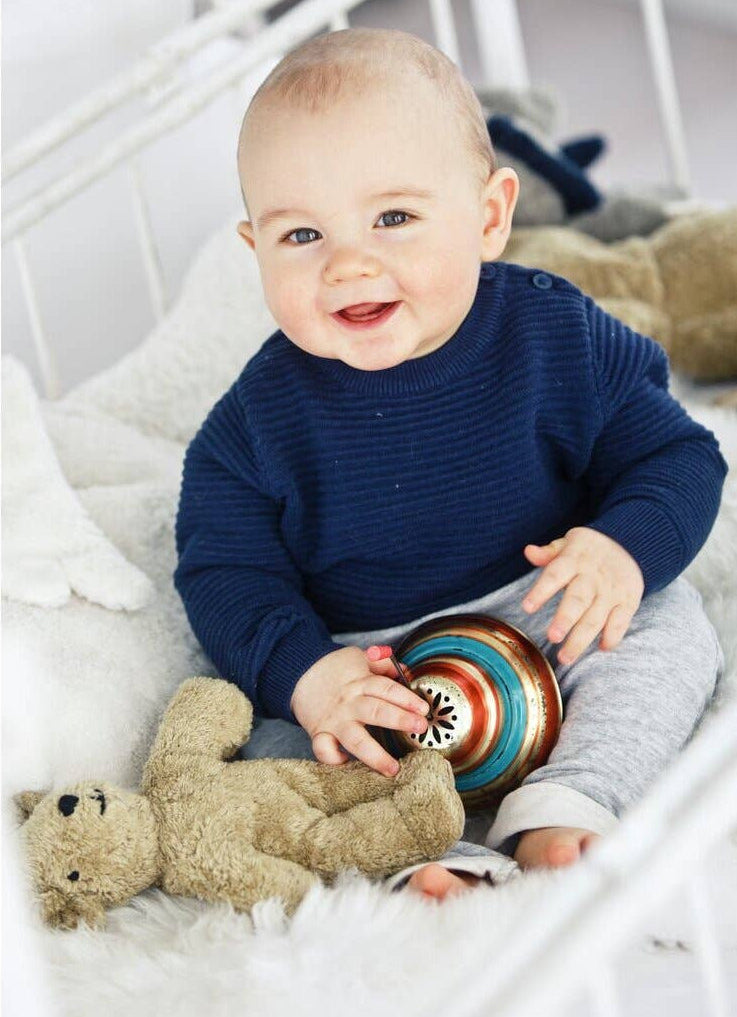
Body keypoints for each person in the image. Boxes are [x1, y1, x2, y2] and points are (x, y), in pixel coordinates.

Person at [174, 28, 725, 898]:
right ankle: (425, 857)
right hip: (373, 665)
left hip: (546, 607)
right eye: (302, 234)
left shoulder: (553, 335)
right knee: (283, 750)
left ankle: (569, 798)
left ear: (489, 216)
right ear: (255, 251)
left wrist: (618, 550)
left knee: (666, 627)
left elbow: (674, 450)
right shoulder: (251, 427)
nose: (349, 263)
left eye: (392, 217)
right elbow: (223, 572)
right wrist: (311, 676)